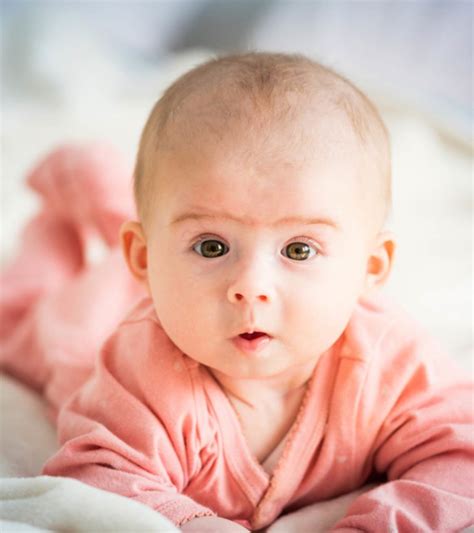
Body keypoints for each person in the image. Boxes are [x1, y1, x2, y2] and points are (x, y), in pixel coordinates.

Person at [1, 53, 472, 532]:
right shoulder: (139, 375)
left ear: (369, 268)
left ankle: (128, 208)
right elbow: (95, 475)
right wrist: (191, 523)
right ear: (142, 257)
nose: (251, 286)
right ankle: (74, 204)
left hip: (169, 278)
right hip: (95, 319)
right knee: (21, 318)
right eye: (213, 245)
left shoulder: (388, 364)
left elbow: (462, 457)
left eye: (299, 249)